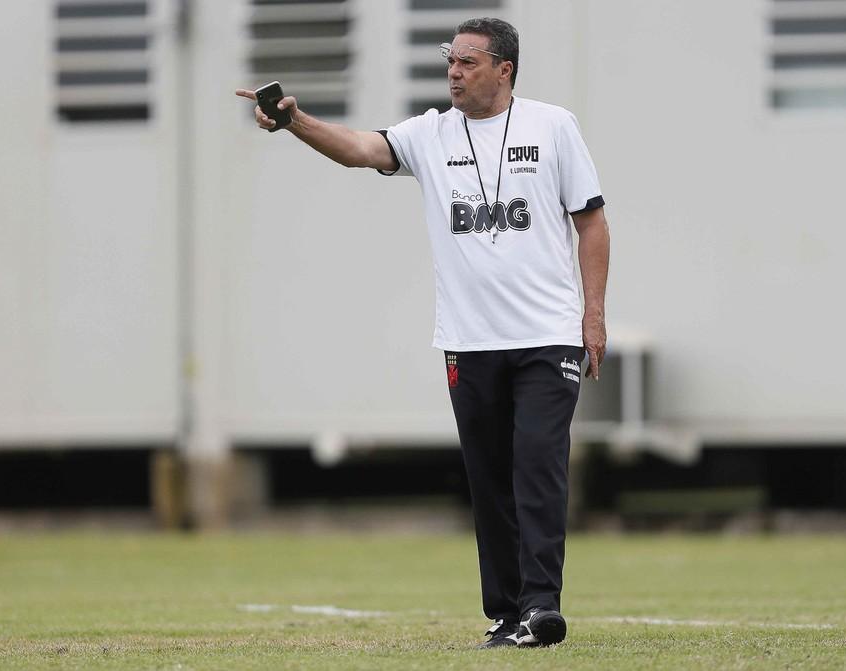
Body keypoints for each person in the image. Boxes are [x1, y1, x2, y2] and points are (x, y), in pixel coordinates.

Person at [237, 16, 609, 649]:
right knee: (489, 478)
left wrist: (593, 314)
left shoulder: (554, 127)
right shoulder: (429, 133)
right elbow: (358, 149)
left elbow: (592, 222)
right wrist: (295, 121)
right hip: (468, 340)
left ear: (504, 69)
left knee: (538, 466)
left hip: (547, 337)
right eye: (450, 61)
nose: (454, 72)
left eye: (467, 61)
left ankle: (543, 606)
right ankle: (506, 612)